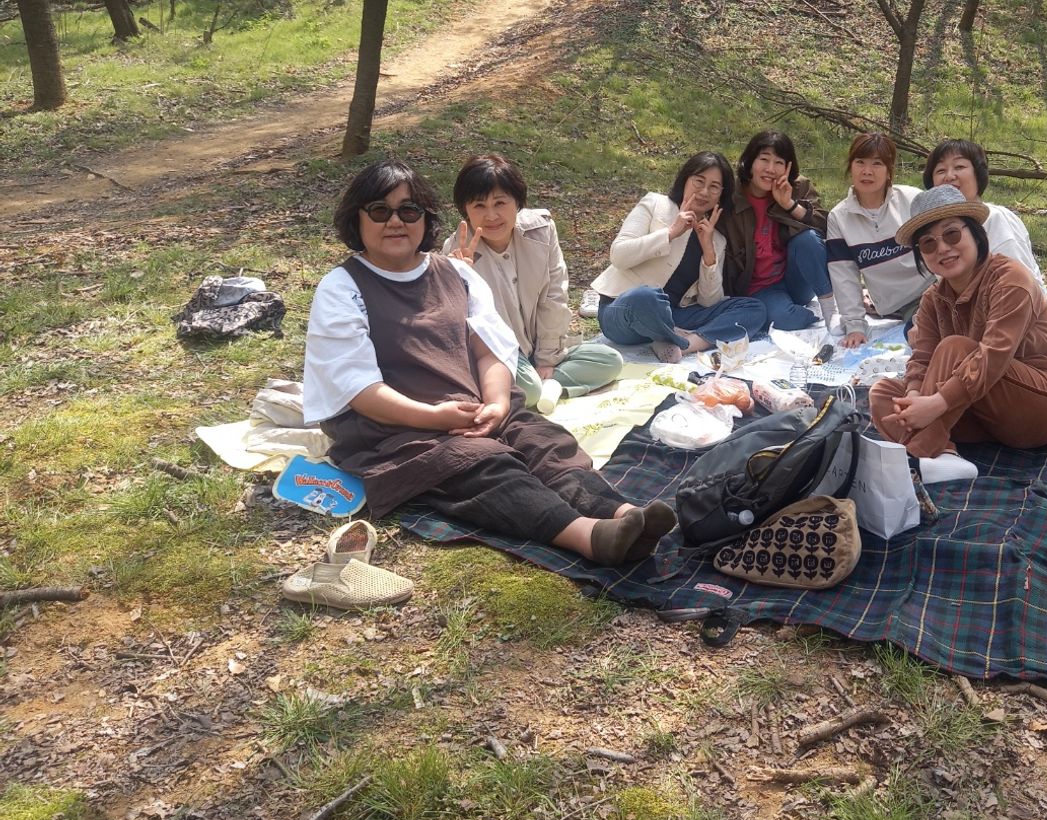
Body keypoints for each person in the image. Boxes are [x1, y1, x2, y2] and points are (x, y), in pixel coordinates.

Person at [303, 159, 675, 566]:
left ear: (425, 218)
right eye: (380, 211)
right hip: (396, 429)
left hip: (476, 408)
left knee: (545, 442)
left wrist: (497, 404)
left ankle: (623, 513)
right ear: (356, 218)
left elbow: (491, 351)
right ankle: (589, 536)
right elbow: (358, 389)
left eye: (408, 211)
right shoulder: (343, 288)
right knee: (483, 464)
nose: (395, 221)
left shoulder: (456, 273)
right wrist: (434, 417)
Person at [868, 185, 1047, 484]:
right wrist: (915, 396)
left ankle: (915, 457)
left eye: (952, 234)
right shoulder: (932, 299)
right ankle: (946, 457)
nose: (942, 248)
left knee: (955, 348)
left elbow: (994, 355)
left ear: (976, 234)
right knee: (883, 393)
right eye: (928, 244)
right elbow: (922, 357)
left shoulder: (1011, 279)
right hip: (980, 412)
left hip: (1041, 408)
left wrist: (937, 403)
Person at [442, 153, 623, 414]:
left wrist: (547, 358)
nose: (491, 215)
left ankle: (539, 387)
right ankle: (536, 389)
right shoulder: (456, 251)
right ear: (465, 211)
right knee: (529, 387)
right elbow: (457, 328)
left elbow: (554, 295)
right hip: (498, 356)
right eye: (479, 206)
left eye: (500, 203)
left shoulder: (541, 230)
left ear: (517, 202)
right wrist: (460, 274)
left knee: (610, 360)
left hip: (536, 347)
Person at [592, 151, 767, 364]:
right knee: (647, 297)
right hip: (625, 310)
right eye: (699, 181)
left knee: (754, 308)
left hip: (675, 315)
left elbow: (709, 301)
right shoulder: (655, 204)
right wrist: (670, 233)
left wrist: (708, 252)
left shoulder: (716, 239)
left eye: (714, 187)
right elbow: (619, 255)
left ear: (721, 194)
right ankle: (672, 335)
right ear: (685, 179)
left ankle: (683, 345)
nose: (704, 192)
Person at [921, 137, 1047, 346]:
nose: (949, 176)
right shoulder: (934, 232)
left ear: (978, 175)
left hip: (1028, 336)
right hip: (977, 328)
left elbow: (1019, 290)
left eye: (959, 167)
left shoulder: (996, 220)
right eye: (940, 170)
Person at [721, 130, 836, 332]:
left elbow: (826, 228)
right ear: (749, 161)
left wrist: (789, 205)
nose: (770, 169)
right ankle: (811, 315)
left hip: (796, 278)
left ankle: (830, 312)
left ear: (788, 167)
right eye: (764, 159)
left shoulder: (798, 187)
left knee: (807, 239)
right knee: (784, 319)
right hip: (758, 288)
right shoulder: (731, 196)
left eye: (778, 162)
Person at [825, 132, 925, 349]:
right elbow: (844, 275)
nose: (867, 171)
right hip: (900, 305)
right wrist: (855, 326)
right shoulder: (839, 218)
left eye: (877, 164)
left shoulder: (912, 200)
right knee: (922, 333)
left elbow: (942, 247)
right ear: (850, 166)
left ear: (889, 171)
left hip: (933, 289)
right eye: (860, 162)